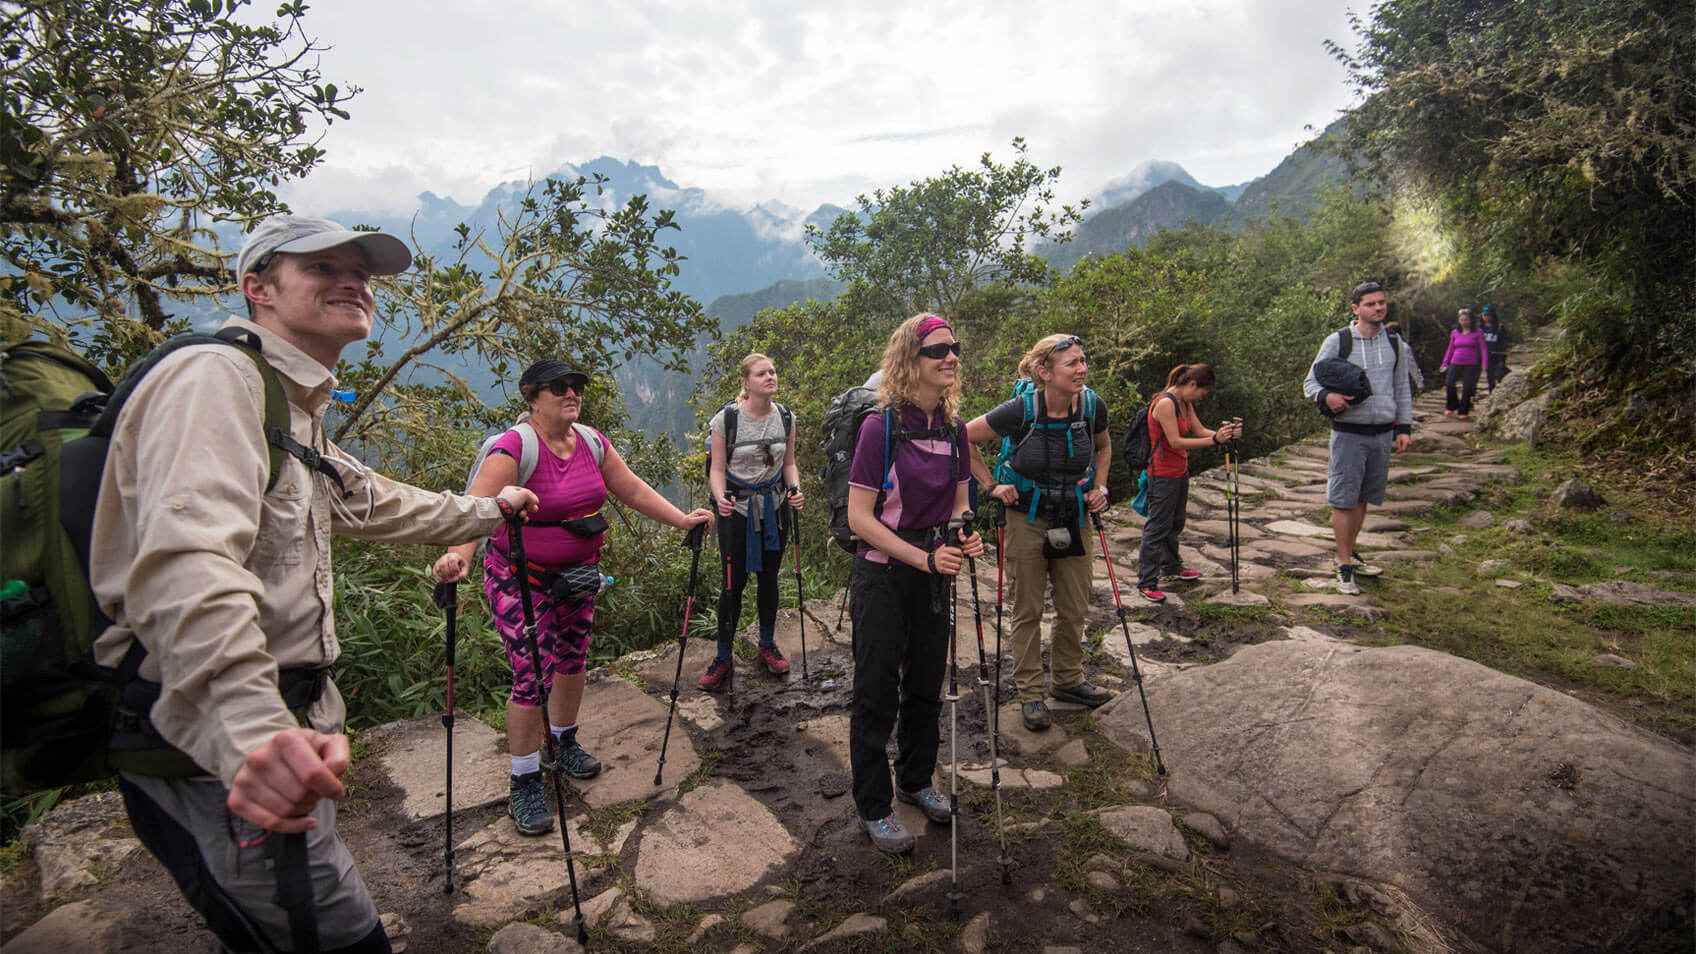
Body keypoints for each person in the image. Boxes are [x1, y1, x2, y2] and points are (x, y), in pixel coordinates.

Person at [89, 214, 541, 952]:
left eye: (360, 271)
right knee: (337, 938)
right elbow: (187, 563)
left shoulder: (287, 408)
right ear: (257, 288)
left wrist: (491, 508)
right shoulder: (216, 381)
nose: (353, 281)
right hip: (217, 747)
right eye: (321, 267)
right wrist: (255, 734)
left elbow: (370, 498)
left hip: (280, 731)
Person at [434, 360, 711, 836]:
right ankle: (523, 780)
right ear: (531, 397)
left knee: (572, 660)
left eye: (576, 385)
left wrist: (681, 520)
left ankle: (562, 742)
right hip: (519, 576)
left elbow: (633, 490)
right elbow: (475, 511)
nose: (571, 392)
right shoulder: (513, 449)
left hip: (578, 575)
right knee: (533, 672)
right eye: (559, 387)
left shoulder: (590, 441)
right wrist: (457, 557)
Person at [846, 313, 984, 854]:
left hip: (933, 571)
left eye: (954, 348)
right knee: (876, 690)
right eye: (937, 350)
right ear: (911, 361)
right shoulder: (880, 428)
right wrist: (923, 559)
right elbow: (861, 518)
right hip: (883, 575)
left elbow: (960, 501)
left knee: (927, 683)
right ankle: (874, 806)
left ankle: (917, 779)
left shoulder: (952, 428)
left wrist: (962, 534)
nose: (950, 357)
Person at [965, 333, 1114, 732]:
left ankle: (1068, 680)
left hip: (1076, 512)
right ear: (1044, 372)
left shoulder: (1091, 405)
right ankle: (1030, 693)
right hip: (1025, 515)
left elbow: (1103, 446)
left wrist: (1100, 486)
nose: (1082, 369)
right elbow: (963, 437)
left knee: (1074, 604)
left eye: (1083, 361)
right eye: (1072, 363)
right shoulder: (1020, 410)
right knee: (1027, 609)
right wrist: (991, 486)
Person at [697, 353, 804, 691]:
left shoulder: (786, 417)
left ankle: (767, 643)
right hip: (737, 511)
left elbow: (788, 463)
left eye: (772, 371)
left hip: (774, 508)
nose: (770, 377)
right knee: (733, 584)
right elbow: (717, 468)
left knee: (768, 579)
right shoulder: (725, 421)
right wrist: (719, 498)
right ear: (745, 382)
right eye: (761, 374)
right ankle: (723, 655)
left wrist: (795, 489)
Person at [1302, 281, 1413, 596]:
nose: (1378, 308)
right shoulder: (1338, 341)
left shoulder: (1395, 344)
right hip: (1349, 432)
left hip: (1382, 433)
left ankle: (1350, 553)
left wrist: (1404, 427)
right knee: (1343, 498)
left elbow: (1401, 388)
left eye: (1381, 303)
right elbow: (1310, 382)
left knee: (1364, 497)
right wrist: (1328, 396)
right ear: (1356, 309)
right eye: (1370, 304)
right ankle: (1342, 564)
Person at [1132, 364, 1243, 603]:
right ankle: (1146, 582)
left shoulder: (1185, 403)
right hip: (1161, 475)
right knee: (1157, 527)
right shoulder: (1164, 403)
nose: (1202, 397)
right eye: (1202, 392)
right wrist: (1215, 440)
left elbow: (1199, 430)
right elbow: (1176, 441)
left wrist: (1226, 434)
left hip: (1179, 472)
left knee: (1176, 522)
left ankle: (1172, 566)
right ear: (1192, 384)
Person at [1439, 307, 1489, 419]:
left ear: (1471, 320)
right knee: (1449, 383)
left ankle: (1463, 409)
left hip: (1471, 363)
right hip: (1456, 361)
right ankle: (1452, 406)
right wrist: (1445, 363)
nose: (1464, 322)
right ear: (1458, 320)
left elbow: (1483, 348)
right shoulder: (1455, 332)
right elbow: (1450, 349)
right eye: (1461, 320)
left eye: (1466, 319)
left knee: (1467, 387)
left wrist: (1485, 363)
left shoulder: (1478, 332)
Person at [1384, 321, 1425, 391]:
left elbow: (1411, 365)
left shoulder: (1401, 347)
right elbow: (1412, 366)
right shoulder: (1404, 347)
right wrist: (1419, 382)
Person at [1478, 305, 1510, 393]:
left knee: (1492, 377)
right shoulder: (1479, 328)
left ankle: (1492, 393)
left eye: (1489, 315)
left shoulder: (1499, 327)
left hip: (1494, 356)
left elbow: (1502, 343)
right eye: (1485, 315)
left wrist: (1502, 360)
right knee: (1485, 377)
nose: (1487, 317)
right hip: (1481, 356)